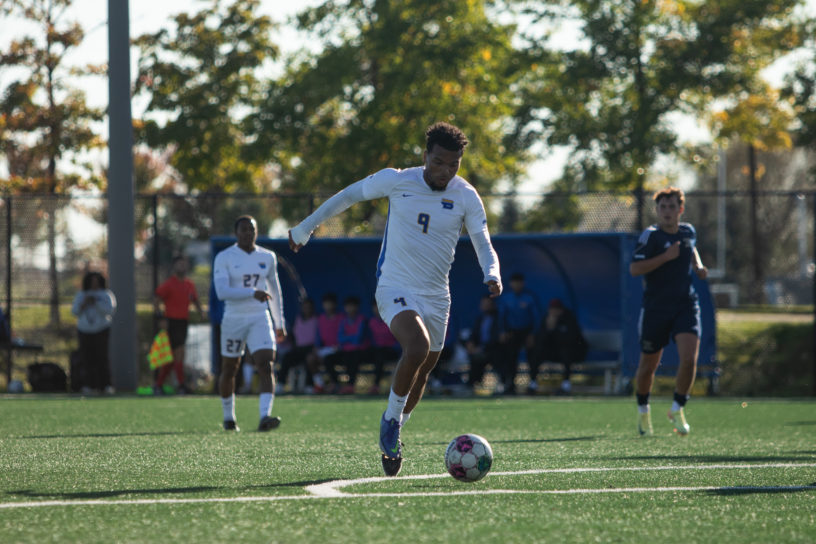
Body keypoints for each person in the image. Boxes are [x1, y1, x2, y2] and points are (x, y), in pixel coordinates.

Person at [289, 122, 502, 476]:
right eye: (438, 162)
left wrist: (491, 272)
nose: (445, 171)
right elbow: (348, 195)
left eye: (453, 165)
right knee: (415, 348)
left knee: (423, 372)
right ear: (425, 157)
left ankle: (396, 428)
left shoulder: (466, 195)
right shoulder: (397, 180)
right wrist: (305, 227)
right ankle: (389, 422)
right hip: (395, 286)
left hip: (437, 296)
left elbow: (483, 240)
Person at [630, 187, 707, 436]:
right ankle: (643, 410)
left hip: (686, 304)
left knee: (688, 360)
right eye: (662, 207)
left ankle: (677, 407)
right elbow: (634, 269)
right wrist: (665, 257)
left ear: (680, 210)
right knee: (647, 366)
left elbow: (690, 247)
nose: (666, 211)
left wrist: (698, 265)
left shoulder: (688, 231)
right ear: (657, 210)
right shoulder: (650, 236)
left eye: (671, 206)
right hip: (656, 308)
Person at [212, 215, 287, 432]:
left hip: (259, 317)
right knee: (229, 368)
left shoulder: (268, 256)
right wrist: (252, 292)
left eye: (251, 229)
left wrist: (279, 322)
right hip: (234, 318)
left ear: (257, 231)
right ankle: (228, 417)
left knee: (266, 363)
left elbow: (275, 291)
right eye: (243, 230)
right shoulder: (224, 257)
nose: (248, 233)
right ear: (236, 233)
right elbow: (222, 292)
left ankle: (265, 416)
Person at [153, 255, 205, 394]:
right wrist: (160, 317)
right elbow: (157, 299)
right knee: (179, 353)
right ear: (174, 266)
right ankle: (181, 385)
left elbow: (195, 300)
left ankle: (158, 385)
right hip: (171, 321)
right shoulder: (169, 284)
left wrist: (201, 312)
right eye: (179, 264)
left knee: (172, 358)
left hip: (183, 322)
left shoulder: (189, 284)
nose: (182, 267)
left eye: (184, 264)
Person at [71, 271, 117, 394]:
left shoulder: (106, 295)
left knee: (102, 358)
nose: (94, 284)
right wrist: (85, 303)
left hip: (102, 329)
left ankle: (106, 385)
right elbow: (75, 311)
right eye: (92, 281)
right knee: (87, 358)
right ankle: (88, 385)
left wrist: (96, 303)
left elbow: (109, 311)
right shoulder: (81, 295)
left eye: (97, 281)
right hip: (84, 330)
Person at [530, 298, 587, 395]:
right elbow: (541, 340)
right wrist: (549, 329)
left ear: (561, 310)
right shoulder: (547, 319)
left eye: (557, 309)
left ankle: (566, 385)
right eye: (552, 309)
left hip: (574, 353)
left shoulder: (569, 319)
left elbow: (571, 340)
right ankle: (532, 384)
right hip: (556, 353)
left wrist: (555, 329)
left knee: (566, 352)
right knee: (537, 352)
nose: (554, 312)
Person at [497, 272, 540, 395]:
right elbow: (501, 317)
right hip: (512, 332)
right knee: (510, 356)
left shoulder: (529, 297)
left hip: (527, 331)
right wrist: (503, 332)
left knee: (532, 355)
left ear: (523, 283)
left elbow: (536, 317)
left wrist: (532, 334)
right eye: (514, 282)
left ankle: (532, 383)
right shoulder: (506, 298)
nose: (517, 285)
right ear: (511, 284)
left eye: (519, 282)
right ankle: (510, 383)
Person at [324, 295, 369, 394]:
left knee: (353, 357)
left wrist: (347, 338)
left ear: (357, 307)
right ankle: (336, 384)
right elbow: (340, 339)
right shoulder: (343, 321)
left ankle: (350, 385)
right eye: (348, 306)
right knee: (328, 359)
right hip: (345, 351)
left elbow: (358, 339)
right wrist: (351, 338)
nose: (350, 309)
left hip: (360, 352)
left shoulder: (362, 320)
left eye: (352, 306)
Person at [278, 298, 319, 393]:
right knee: (287, 357)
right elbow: (294, 336)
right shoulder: (298, 319)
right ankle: (280, 384)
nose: (307, 309)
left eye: (309, 307)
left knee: (309, 360)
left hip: (311, 348)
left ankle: (310, 385)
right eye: (305, 307)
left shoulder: (317, 320)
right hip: (299, 349)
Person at [466, 294, 501, 393]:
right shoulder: (480, 319)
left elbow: (497, 337)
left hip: (494, 349)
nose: (485, 306)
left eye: (487, 304)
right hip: (481, 350)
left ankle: (501, 383)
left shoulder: (499, 318)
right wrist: (471, 343)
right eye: (483, 304)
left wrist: (483, 348)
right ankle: (473, 385)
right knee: (475, 358)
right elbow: (474, 334)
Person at [308, 292, 343, 393]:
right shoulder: (321, 318)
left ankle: (335, 384)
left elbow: (343, 334)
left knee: (328, 359)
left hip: (338, 349)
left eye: (330, 303)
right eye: (326, 304)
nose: (328, 306)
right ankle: (319, 384)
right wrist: (316, 347)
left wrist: (339, 346)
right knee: (310, 358)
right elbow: (318, 337)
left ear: (335, 305)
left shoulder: (341, 318)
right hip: (325, 349)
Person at [366, 300, 400, 395]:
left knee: (380, 356)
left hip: (391, 351)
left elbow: (399, 341)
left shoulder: (393, 320)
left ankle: (376, 385)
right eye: (375, 307)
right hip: (376, 351)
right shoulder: (371, 322)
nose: (377, 309)